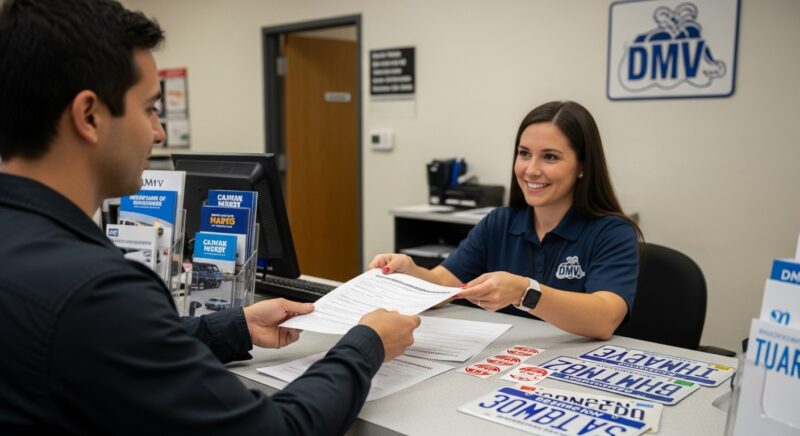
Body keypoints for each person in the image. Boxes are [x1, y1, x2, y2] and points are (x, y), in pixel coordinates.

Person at [0, 0, 420, 434]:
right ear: (89, 116)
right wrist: (366, 346)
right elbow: (276, 429)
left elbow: (104, 348)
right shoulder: (94, 291)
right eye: (148, 108)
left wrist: (231, 328)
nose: (159, 132)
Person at [370, 101, 642, 340]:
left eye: (550, 157)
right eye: (524, 154)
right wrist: (411, 273)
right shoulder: (499, 222)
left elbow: (605, 318)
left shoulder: (612, 232)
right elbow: (442, 285)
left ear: (582, 166)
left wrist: (525, 292)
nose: (531, 170)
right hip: (507, 363)